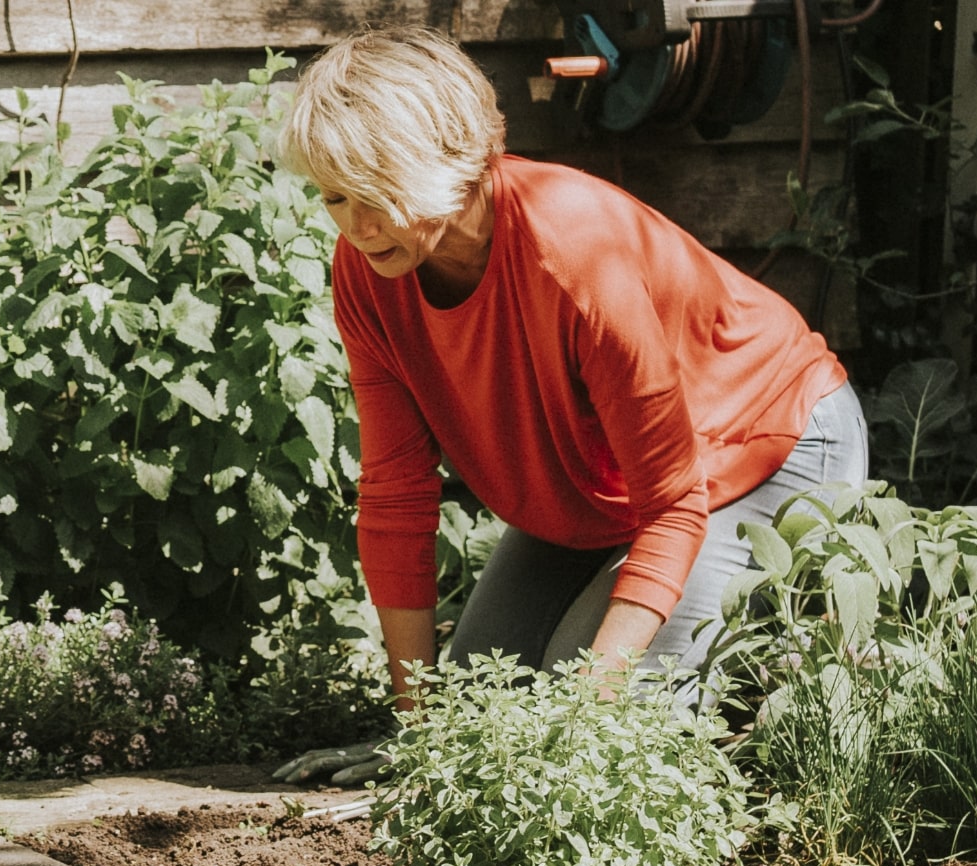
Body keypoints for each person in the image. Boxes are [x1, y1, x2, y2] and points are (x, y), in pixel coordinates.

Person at [264, 27, 867, 786]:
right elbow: (396, 495)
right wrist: (421, 737)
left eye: (378, 193)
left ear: (454, 157)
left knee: (574, 727)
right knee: (472, 717)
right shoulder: (367, 272)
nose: (356, 227)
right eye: (335, 197)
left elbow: (676, 501)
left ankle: (783, 692)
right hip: (609, 482)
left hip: (767, 440)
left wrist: (592, 699)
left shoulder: (574, 251)